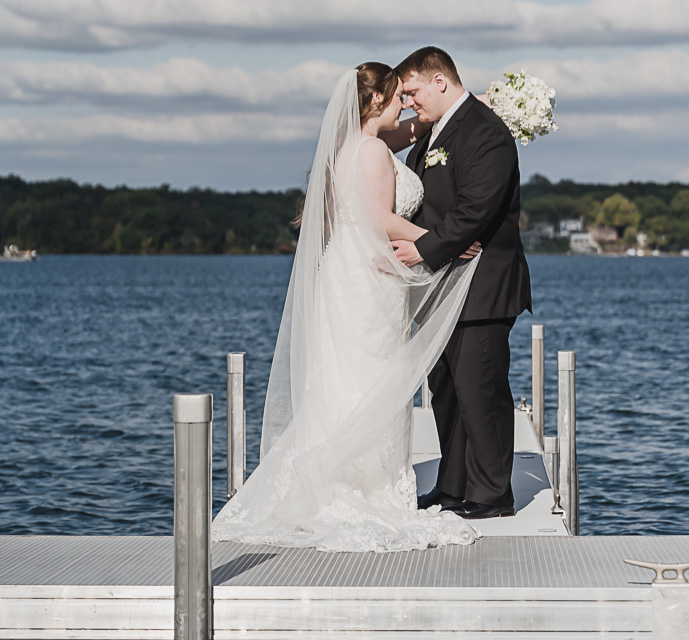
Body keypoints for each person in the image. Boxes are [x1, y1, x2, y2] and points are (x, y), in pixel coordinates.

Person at [212, 62, 481, 552]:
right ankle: (368, 487)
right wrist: (445, 240)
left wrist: (465, 109)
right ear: (376, 101)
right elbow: (380, 220)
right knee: (372, 375)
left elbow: (396, 143)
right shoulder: (374, 149)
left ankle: (336, 477)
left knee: (343, 375)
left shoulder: (347, 149)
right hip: (370, 278)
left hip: (346, 273)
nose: (405, 104)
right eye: (399, 96)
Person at [382, 46, 532, 520]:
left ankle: (492, 494)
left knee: (480, 389)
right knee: (445, 387)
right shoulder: (432, 135)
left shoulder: (486, 133)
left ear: (440, 82)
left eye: (411, 92)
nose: (408, 103)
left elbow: (476, 209)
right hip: (443, 285)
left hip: (484, 286)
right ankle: (452, 486)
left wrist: (423, 248)